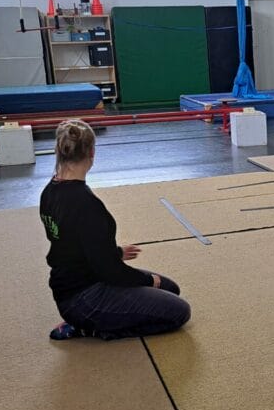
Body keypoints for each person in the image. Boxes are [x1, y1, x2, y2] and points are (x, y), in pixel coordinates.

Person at [39, 119, 191, 340]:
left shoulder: (49, 192)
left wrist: (116, 252)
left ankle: (88, 318)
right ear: (92, 152)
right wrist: (148, 281)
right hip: (85, 297)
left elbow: (71, 244)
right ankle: (89, 327)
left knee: (170, 288)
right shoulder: (86, 204)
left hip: (70, 287)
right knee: (179, 312)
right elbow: (110, 271)